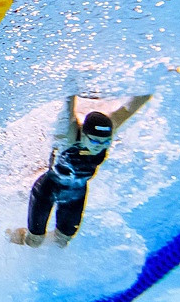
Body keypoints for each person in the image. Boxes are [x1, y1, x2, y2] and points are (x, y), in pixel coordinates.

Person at [8, 93, 151, 247]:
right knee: (33, 242)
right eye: (95, 140)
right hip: (47, 190)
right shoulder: (69, 137)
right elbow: (68, 107)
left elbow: (131, 108)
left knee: (62, 241)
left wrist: (154, 82)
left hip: (76, 196)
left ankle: (44, 242)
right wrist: (72, 88)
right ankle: (9, 234)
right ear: (83, 134)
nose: (99, 146)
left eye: (105, 142)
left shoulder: (107, 134)